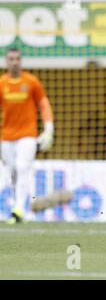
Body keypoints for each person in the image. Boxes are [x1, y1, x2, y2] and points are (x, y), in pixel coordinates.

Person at [0, 48, 55, 223]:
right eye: (11, 59)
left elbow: (43, 104)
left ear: (21, 61)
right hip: (7, 136)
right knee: (13, 172)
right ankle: (18, 206)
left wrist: (48, 128)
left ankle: (18, 210)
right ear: (6, 62)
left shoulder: (31, 82)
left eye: (17, 59)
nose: (14, 62)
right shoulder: (2, 83)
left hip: (28, 135)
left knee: (22, 167)